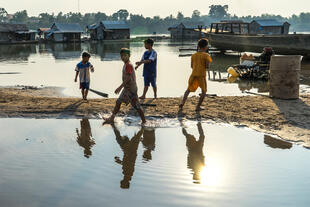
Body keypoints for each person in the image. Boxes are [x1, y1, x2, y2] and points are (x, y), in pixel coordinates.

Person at [103, 48, 146, 124]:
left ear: (129, 56)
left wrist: (120, 87)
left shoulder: (128, 65)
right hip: (129, 88)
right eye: (121, 56)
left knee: (123, 103)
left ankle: (112, 118)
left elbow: (128, 78)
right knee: (135, 105)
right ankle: (144, 121)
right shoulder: (126, 64)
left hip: (130, 89)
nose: (123, 57)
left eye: (125, 55)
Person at [179, 38, 212, 111]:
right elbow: (207, 66)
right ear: (205, 47)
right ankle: (198, 107)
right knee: (204, 91)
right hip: (201, 75)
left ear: (198, 46)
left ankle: (182, 103)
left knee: (188, 89)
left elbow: (191, 66)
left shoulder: (193, 55)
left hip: (193, 74)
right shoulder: (206, 55)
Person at [112, 124, 144, 189]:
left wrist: (119, 161)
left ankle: (113, 125)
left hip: (127, 150)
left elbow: (126, 164)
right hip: (131, 150)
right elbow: (129, 164)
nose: (122, 181)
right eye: (123, 183)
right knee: (137, 136)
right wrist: (119, 161)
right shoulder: (128, 175)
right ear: (126, 182)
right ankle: (144, 126)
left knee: (119, 138)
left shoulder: (126, 174)